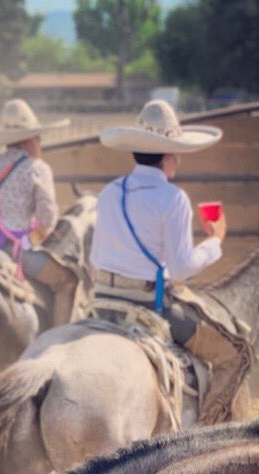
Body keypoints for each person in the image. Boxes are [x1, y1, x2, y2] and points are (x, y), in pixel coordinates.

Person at [91, 98, 249, 424]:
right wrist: (215, 241)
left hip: (102, 299)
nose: (177, 160)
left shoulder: (109, 192)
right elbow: (181, 268)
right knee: (234, 356)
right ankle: (205, 434)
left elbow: (97, 254)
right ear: (167, 157)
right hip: (150, 304)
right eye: (176, 153)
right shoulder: (173, 199)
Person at [0, 98, 79, 324]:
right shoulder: (36, 168)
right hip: (10, 249)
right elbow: (48, 218)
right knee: (67, 281)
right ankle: (56, 344)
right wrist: (33, 237)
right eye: (39, 139)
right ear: (30, 141)